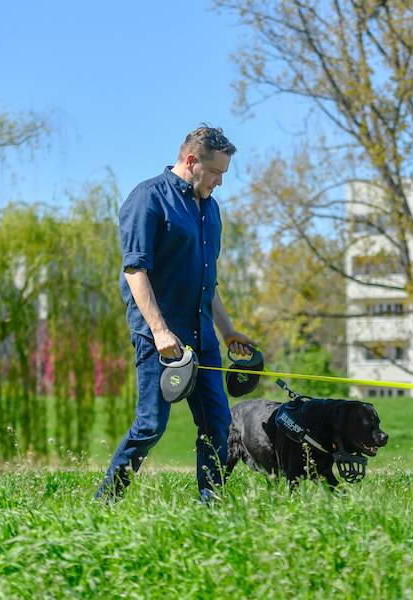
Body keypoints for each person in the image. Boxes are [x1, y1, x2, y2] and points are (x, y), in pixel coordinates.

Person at [95, 126, 257, 503]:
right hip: (162, 339)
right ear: (190, 161)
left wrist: (228, 330)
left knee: (217, 425)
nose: (220, 182)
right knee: (151, 425)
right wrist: (160, 331)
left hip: (203, 336)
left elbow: (207, 280)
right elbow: (135, 271)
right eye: (215, 172)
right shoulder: (148, 198)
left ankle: (211, 506)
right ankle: (105, 501)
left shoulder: (211, 209)